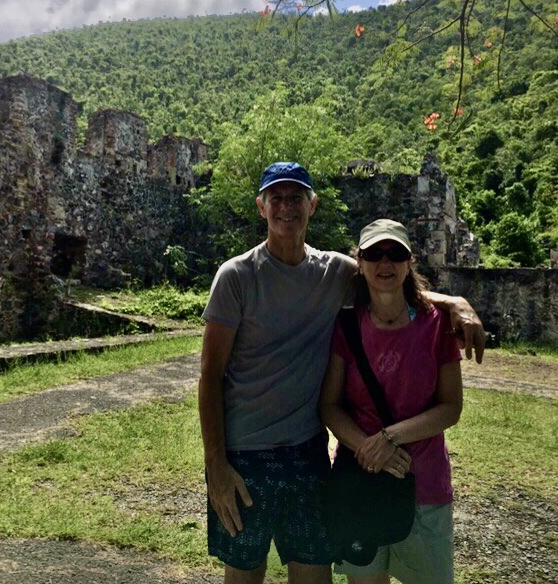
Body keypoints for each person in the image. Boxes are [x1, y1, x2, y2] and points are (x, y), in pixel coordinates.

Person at [199, 162, 484, 584]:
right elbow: (210, 376)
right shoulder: (236, 276)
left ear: (312, 205)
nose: (286, 207)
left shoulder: (333, 271)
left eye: (296, 197)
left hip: (307, 452)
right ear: (261, 207)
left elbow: (390, 281)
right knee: (243, 575)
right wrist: (216, 466)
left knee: (314, 575)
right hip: (246, 454)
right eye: (276, 198)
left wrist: (455, 302)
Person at [319, 218, 464, 584]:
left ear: (409, 262)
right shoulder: (347, 326)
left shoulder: (436, 326)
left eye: (395, 254)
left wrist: (389, 439)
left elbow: (451, 406)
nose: (385, 263)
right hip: (362, 479)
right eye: (374, 254)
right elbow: (330, 405)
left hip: (422, 482)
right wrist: (368, 449)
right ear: (360, 262)